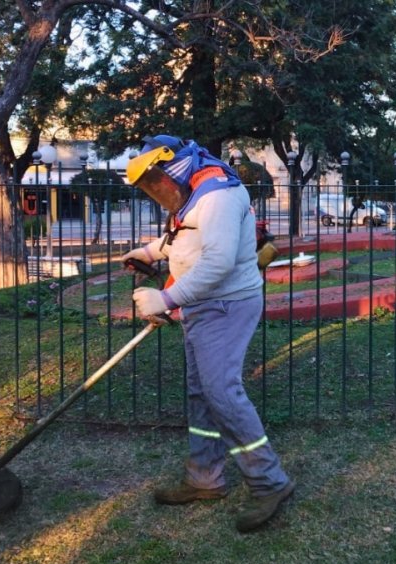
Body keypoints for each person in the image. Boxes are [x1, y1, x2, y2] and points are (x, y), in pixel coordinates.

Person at [121, 135, 294, 533]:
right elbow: (184, 237)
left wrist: (164, 298)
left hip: (227, 305)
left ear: (173, 169)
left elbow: (217, 263)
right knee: (201, 393)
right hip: (203, 306)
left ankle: (270, 482)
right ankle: (205, 478)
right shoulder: (195, 193)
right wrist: (149, 253)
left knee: (221, 392)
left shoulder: (218, 195)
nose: (155, 193)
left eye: (154, 183)